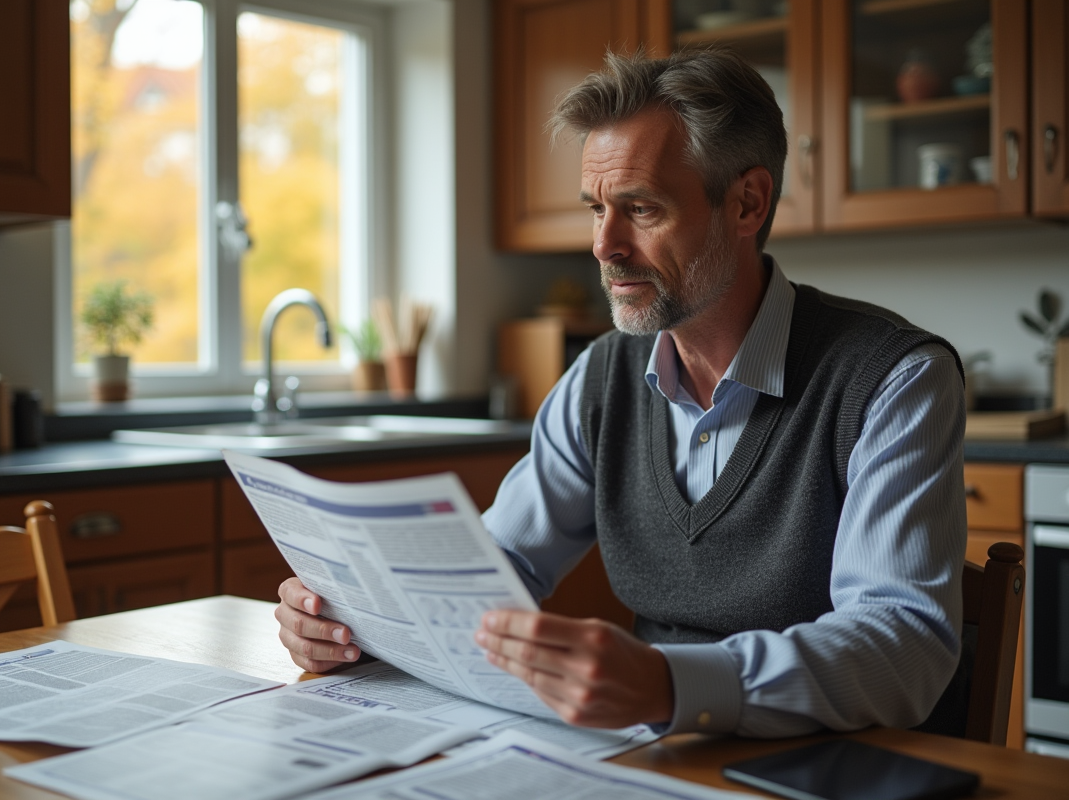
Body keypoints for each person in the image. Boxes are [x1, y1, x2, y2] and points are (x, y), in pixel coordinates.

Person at [275, 49, 967, 738]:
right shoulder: (600, 380)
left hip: (830, 768)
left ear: (747, 203)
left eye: (640, 208)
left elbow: (902, 646)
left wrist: (670, 684)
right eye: (596, 209)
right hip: (647, 757)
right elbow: (494, 570)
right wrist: (350, 622)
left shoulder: (893, 380)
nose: (605, 245)